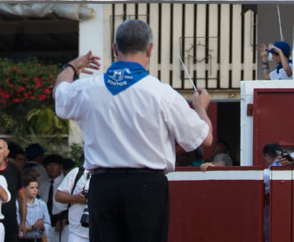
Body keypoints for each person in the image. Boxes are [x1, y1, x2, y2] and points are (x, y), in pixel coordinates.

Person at [53, 19, 211, 242]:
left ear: (114, 49)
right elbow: (204, 139)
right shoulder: (162, 93)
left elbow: (60, 92)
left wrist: (71, 67)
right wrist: (200, 108)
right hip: (147, 187)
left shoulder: (88, 90)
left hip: (103, 186)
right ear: (150, 49)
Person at [18, 172, 51, 242]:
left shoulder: (42, 204)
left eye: (36, 187)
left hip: (37, 239)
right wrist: (32, 227)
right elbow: (16, 228)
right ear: (24, 189)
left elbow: (48, 224)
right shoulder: (17, 204)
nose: (35, 190)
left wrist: (42, 226)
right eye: (32, 188)